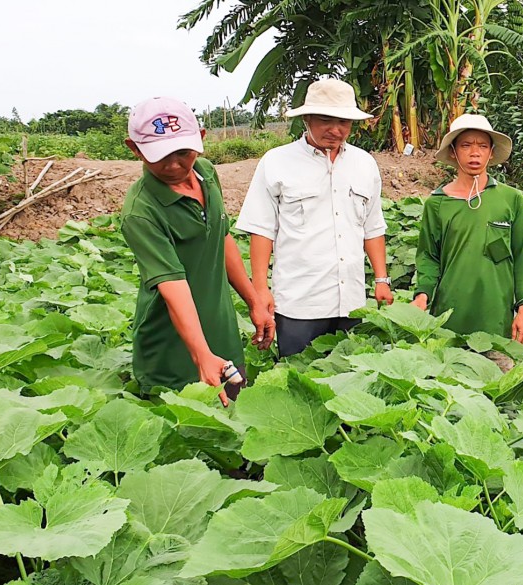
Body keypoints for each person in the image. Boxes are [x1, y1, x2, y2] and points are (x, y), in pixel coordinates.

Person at [121, 97, 272, 406]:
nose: (175, 165)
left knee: (237, 438)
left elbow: (221, 237)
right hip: (172, 352)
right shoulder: (141, 211)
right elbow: (172, 287)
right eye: (160, 156)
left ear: (201, 139)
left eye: (183, 152)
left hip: (222, 334)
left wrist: (254, 301)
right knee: (187, 442)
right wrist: (201, 354)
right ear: (134, 148)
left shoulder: (205, 172)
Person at [236, 79, 393, 357]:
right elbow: (261, 230)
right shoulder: (276, 162)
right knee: (299, 381)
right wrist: (260, 289)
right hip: (299, 303)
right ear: (306, 118)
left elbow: (372, 226)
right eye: (325, 120)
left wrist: (381, 279)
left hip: (352, 301)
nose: (335, 130)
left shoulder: (364, 163)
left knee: (350, 381)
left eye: (344, 122)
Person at [411, 115, 523, 342]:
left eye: (482, 146)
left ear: (491, 152)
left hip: (498, 319)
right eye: (466, 145)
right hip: (449, 318)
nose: (474, 152)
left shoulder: (511, 199)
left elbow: (520, 257)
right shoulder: (437, 203)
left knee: (499, 374)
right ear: (453, 152)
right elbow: (428, 257)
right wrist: (422, 294)